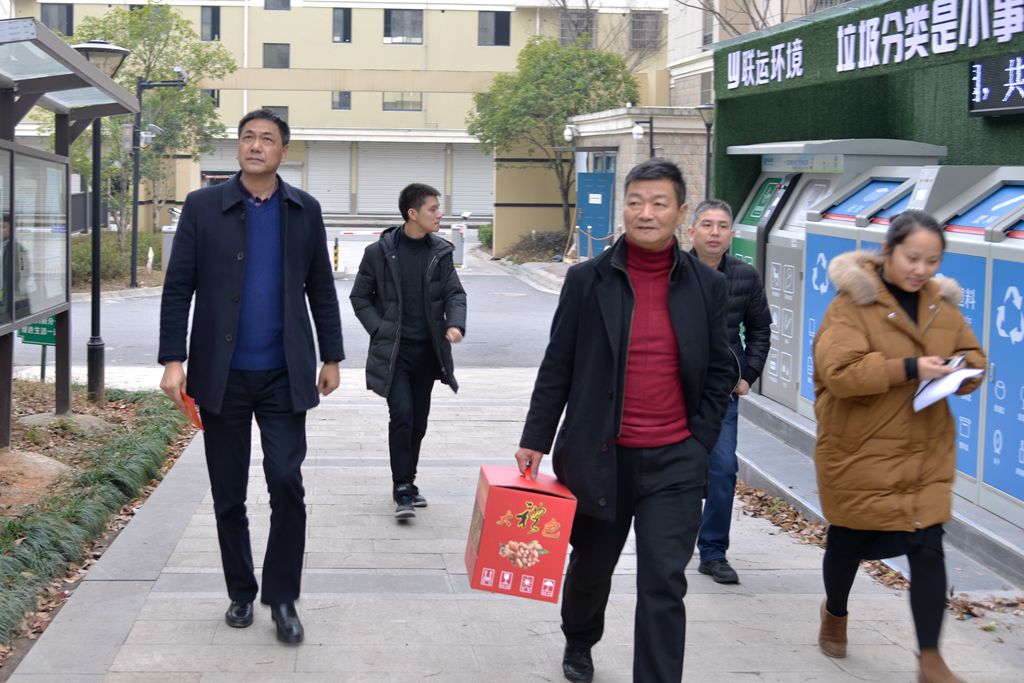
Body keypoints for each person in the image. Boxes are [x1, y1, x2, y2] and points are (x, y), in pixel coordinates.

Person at [515, 158, 736, 683]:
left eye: (659, 203)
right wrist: (535, 438)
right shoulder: (587, 280)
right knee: (591, 569)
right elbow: (558, 363)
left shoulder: (707, 285)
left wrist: (700, 440)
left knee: (664, 581)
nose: (645, 213)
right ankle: (579, 640)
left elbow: (720, 367)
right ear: (624, 209)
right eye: (635, 202)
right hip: (600, 456)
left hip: (675, 462)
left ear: (680, 212)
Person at [158, 109, 344, 644]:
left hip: (285, 373)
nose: (255, 146)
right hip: (222, 376)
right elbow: (179, 287)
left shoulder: (303, 209)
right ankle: (241, 590)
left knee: (286, 482)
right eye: (247, 137)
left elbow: (320, 287)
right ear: (237, 147)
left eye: (267, 139)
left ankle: (282, 596)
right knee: (228, 491)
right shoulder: (203, 207)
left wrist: (331, 356)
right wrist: (173, 359)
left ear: (283, 151)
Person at [812, 210, 985, 683]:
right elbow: (840, 373)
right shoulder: (852, 305)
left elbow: (973, 355)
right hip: (861, 451)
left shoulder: (940, 304)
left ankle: (930, 658)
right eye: (912, 258)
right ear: (888, 251)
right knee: (848, 543)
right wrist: (911, 368)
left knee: (928, 546)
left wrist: (962, 371)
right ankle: (835, 612)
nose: (921, 269)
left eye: (932, 261)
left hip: (923, 453)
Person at [350, 183, 466, 519]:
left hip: (428, 353)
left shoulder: (441, 252)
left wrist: (455, 324)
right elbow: (360, 297)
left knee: (418, 421)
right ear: (413, 213)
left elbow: (455, 294)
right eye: (433, 208)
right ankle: (401, 487)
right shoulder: (378, 253)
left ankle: (409, 481)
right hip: (395, 353)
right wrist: (379, 329)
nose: (439, 214)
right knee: (401, 415)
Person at [687, 199, 771, 585]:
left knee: (722, 469)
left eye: (722, 226)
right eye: (707, 225)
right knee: (678, 471)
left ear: (732, 234)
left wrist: (748, 375)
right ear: (692, 231)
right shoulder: (673, 272)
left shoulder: (745, 276)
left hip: (722, 392)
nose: (715, 232)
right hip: (675, 392)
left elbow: (760, 328)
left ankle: (713, 552)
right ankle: (671, 541)